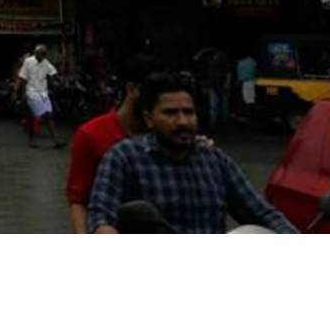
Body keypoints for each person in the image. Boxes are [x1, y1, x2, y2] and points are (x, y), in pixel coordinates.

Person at [88, 72, 296, 234]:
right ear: (149, 118)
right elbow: (100, 218)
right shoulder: (124, 158)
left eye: (188, 112)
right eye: (170, 113)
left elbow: (262, 212)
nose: (183, 121)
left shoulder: (214, 161)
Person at [65, 53, 158, 233]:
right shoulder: (91, 134)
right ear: (132, 89)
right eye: (153, 95)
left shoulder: (166, 133)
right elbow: (78, 200)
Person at [17, 44, 63, 148]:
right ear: (36, 53)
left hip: (43, 93)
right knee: (44, 116)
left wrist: (58, 80)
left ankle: (54, 140)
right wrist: (23, 93)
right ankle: (50, 139)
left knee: (47, 115)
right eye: (39, 54)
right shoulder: (28, 61)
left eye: (43, 54)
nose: (40, 56)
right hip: (31, 92)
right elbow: (23, 78)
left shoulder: (46, 63)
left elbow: (53, 73)